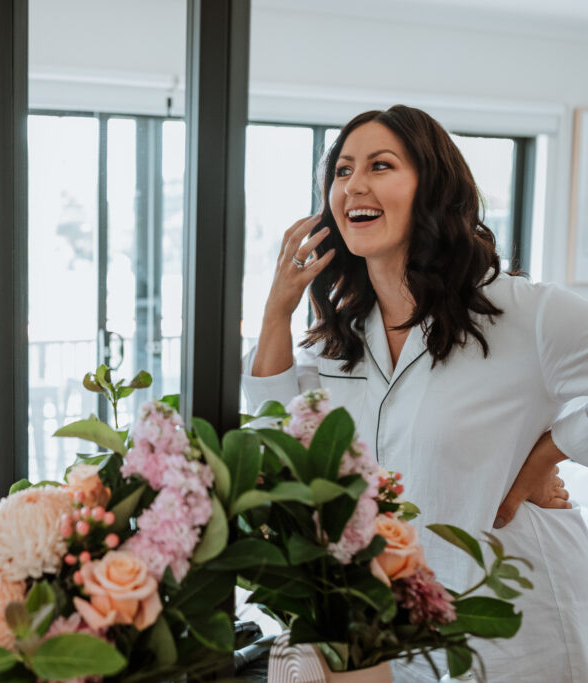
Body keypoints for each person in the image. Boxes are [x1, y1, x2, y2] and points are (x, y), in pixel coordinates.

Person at [243, 105, 588, 681]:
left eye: (380, 165)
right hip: (404, 640)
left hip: (523, 629)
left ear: (434, 188)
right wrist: (277, 311)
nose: (354, 184)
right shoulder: (345, 338)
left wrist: (554, 447)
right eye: (342, 170)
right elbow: (279, 436)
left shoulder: (524, 313)